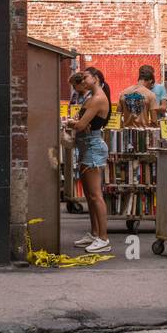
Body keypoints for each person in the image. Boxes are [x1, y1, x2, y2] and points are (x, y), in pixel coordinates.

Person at [66, 69, 113, 254]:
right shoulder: (91, 97)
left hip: (92, 147)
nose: (83, 79)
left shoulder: (97, 99)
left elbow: (80, 124)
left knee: (95, 195)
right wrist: (76, 122)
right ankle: (95, 233)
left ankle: (103, 238)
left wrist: (71, 123)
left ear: (96, 78)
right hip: (87, 147)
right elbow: (80, 121)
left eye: (86, 76)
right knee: (89, 195)